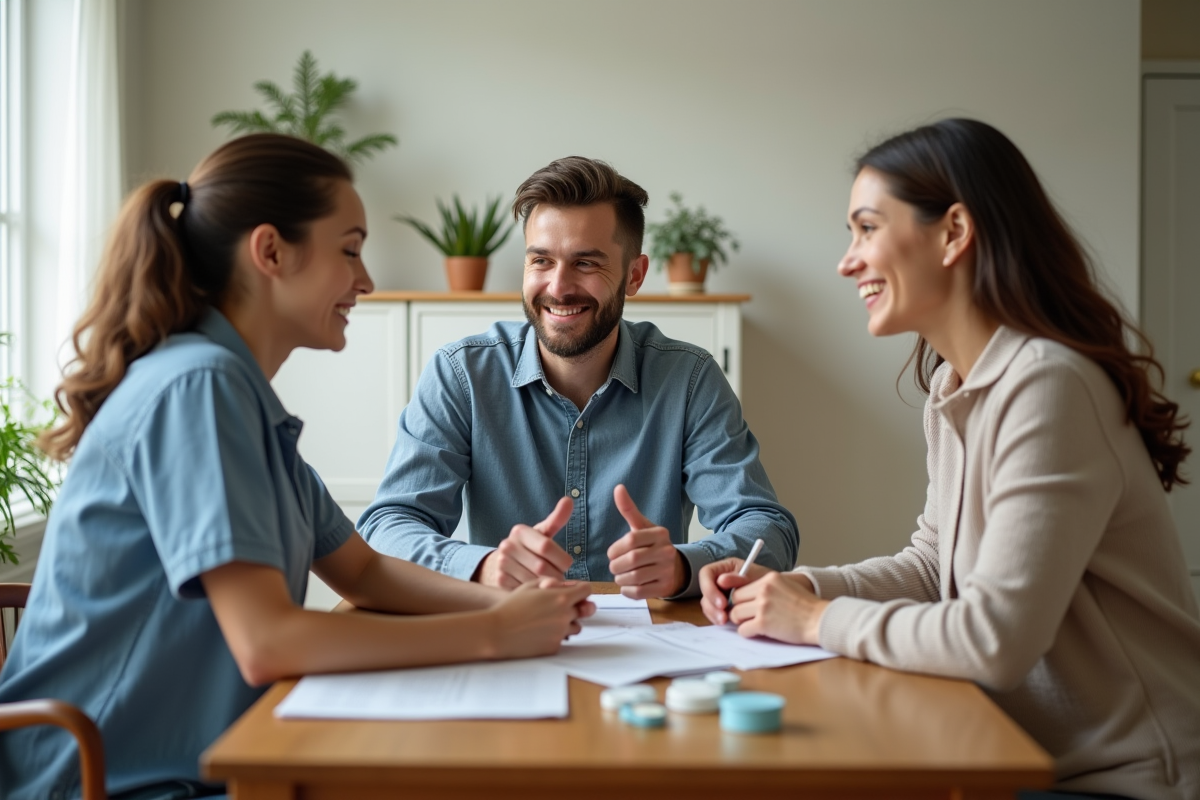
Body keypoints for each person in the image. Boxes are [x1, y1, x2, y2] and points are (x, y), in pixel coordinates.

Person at [0, 134, 594, 800]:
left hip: (197, 763)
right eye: (349, 250)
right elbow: (267, 642)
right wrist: (492, 633)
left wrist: (510, 602)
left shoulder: (241, 398)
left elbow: (362, 571)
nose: (365, 280)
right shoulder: (198, 387)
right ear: (271, 252)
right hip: (99, 782)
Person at [699, 119, 1200, 800]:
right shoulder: (955, 386)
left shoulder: (1049, 385)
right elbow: (932, 568)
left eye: (867, 228)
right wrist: (803, 589)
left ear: (955, 232)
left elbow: (996, 638)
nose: (848, 261)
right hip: (1015, 751)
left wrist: (814, 623)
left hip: (1128, 778)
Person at [359, 156, 798, 599]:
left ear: (634, 275)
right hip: (507, 637)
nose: (558, 286)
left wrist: (684, 566)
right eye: (541, 261)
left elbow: (767, 530)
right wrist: (484, 566)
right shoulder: (461, 375)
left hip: (646, 651)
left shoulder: (689, 379)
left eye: (586, 263)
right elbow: (387, 526)